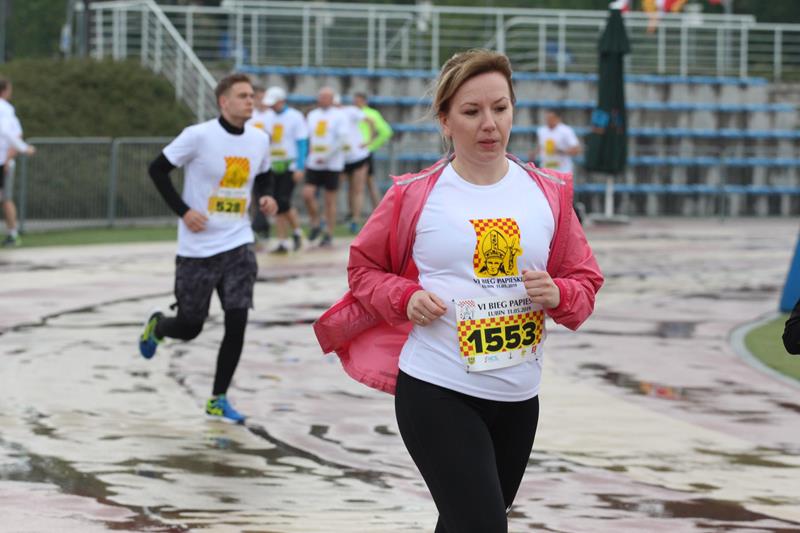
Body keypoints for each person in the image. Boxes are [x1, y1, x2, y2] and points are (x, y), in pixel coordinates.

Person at [313, 49, 603, 532]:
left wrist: (559, 294)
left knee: (464, 523)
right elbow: (363, 269)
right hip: (437, 389)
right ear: (445, 120)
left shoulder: (548, 192)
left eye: (500, 108)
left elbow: (585, 280)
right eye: (471, 111)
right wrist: (405, 297)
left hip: (519, 398)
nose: (489, 124)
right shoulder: (415, 193)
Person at [139, 73, 277, 424]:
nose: (250, 101)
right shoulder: (198, 136)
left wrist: (265, 196)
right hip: (197, 248)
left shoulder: (259, 139)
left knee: (237, 320)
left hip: (238, 242)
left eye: (252, 95)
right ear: (223, 102)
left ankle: (218, 398)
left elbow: (264, 173)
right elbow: (157, 170)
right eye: (242, 96)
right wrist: (184, 211)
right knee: (190, 326)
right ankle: (159, 326)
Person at [260, 86, 309, 253]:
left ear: (282, 101)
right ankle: (282, 240)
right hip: (272, 164)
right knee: (276, 204)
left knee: (283, 201)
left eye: (274, 103)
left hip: (289, 165)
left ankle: (297, 232)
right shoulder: (267, 117)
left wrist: (300, 166)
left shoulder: (295, 117)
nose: (272, 106)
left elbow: (301, 142)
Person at [303, 86, 347, 247]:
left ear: (332, 99)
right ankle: (316, 222)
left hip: (332, 164)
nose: (322, 100)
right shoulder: (312, 115)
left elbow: (342, 140)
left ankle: (329, 232)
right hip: (314, 162)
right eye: (320, 97)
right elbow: (307, 137)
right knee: (307, 194)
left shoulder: (339, 115)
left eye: (325, 97)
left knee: (330, 200)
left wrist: (327, 156)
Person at [0, 78, 35, 248]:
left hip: (3, 160)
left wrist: (9, 157)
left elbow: (14, 134)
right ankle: (13, 234)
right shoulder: (5, 108)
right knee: (5, 198)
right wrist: (24, 148)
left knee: (5, 198)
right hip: (3, 159)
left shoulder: (6, 109)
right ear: (5, 90)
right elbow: (8, 132)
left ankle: (13, 234)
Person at [338, 94, 378, 234]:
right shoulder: (333, 115)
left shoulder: (352, 111)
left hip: (359, 155)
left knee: (359, 188)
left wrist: (370, 142)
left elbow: (375, 124)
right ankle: (351, 216)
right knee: (348, 188)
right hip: (344, 157)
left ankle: (356, 219)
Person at [353, 92, 393, 222]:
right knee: (368, 183)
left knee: (363, 185)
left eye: (358, 100)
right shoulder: (352, 113)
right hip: (353, 154)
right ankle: (379, 213)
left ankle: (359, 216)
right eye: (355, 101)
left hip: (363, 153)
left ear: (364, 101)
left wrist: (371, 146)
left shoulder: (371, 114)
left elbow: (386, 132)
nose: (356, 103)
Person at [246, 85, 272, 243]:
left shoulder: (272, 116)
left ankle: (261, 226)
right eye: (259, 98)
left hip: (268, 163)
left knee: (263, 197)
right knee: (251, 198)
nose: (261, 101)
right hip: (250, 163)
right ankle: (254, 227)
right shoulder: (250, 116)